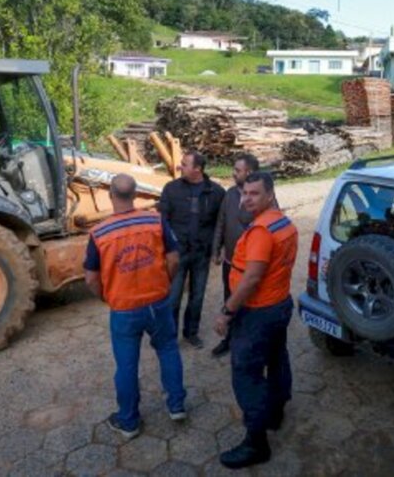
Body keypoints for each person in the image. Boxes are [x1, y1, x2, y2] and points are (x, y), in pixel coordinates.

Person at [84, 173, 186, 440]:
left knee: (127, 366)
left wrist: (107, 297)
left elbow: (91, 278)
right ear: (136, 195)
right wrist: (165, 283)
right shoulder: (155, 220)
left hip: (124, 309)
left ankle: (128, 422)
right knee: (168, 349)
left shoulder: (100, 233)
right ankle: (176, 406)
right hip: (158, 302)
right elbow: (174, 259)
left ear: (110, 195)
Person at [213, 172, 297, 469]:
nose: (247, 198)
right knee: (276, 358)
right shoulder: (283, 222)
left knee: (246, 373)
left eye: (254, 194)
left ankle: (256, 442)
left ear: (270, 194)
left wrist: (226, 311)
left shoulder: (261, 231)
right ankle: (276, 411)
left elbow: (251, 278)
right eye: (244, 193)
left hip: (258, 312)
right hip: (279, 305)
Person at [159, 151, 225, 349]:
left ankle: (191, 333)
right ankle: (168, 337)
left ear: (198, 169)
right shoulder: (171, 189)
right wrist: (166, 249)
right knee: (173, 299)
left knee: (197, 297)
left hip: (201, 255)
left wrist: (217, 249)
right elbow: (162, 222)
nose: (180, 167)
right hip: (178, 254)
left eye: (185, 164)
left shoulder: (216, 192)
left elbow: (220, 224)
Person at [210, 153, 262, 357]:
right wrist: (216, 250)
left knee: (251, 302)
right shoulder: (230, 194)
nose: (233, 173)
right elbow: (221, 223)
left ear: (249, 172)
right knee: (229, 299)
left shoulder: (263, 197)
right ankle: (229, 340)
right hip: (230, 262)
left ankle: (250, 342)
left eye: (237, 170)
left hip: (251, 265)